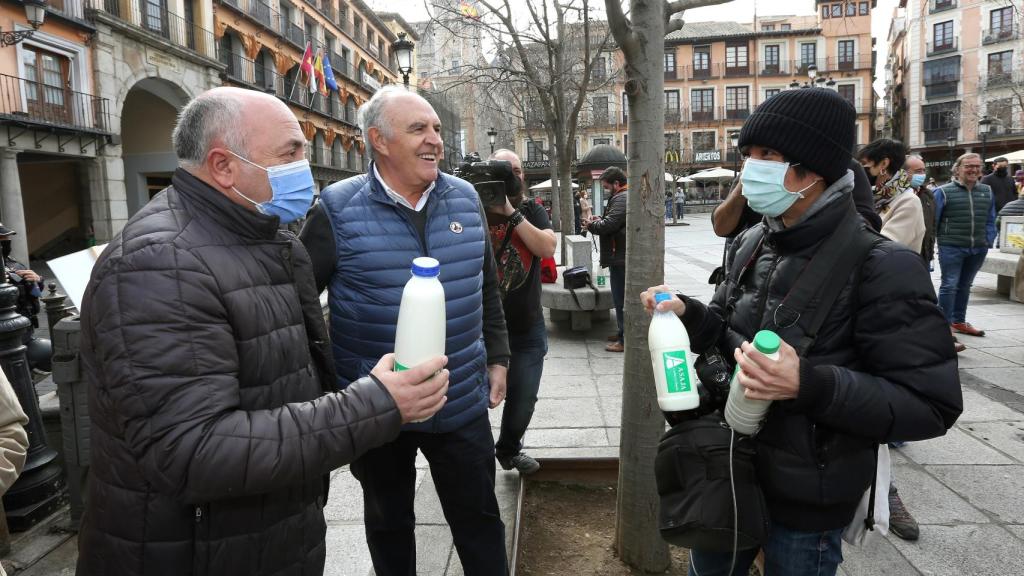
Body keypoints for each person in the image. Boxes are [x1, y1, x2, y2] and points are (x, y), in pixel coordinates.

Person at [76, 87, 450, 576]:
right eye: (290, 153)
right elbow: (195, 452)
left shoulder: (264, 237)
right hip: (194, 552)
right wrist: (376, 403)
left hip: (261, 535)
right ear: (224, 166)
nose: (305, 169)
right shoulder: (159, 263)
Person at [642, 87, 961, 576]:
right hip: (725, 469)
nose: (751, 168)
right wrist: (688, 313)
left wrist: (807, 383)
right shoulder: (754, 239)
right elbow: (730, 339)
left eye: (767, 155)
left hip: (808, 500)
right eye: (747, 155)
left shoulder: (884, 265)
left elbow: (931, 405)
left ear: (811, 170)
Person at [299, 85, 510, 576]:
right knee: (389, 523)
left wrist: (498, 356)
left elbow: (486, 289)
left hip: (459, 401)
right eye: (419, 129)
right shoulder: (336, 208)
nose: (434, 139)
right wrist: (332, 392)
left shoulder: (465, 199)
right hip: (379, 408)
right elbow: (301, 308)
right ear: (379, 140)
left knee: (479, 521)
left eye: (436, 128)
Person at [486, 149, 556, 475]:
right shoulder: (473, 209)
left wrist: (510, 212)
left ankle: (509, 450)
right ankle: (471, 460)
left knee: (524, 398)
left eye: (516, 170)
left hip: (527, 327)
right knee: (473, 401)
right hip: (482, 328)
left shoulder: (531, 209)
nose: (510, 176)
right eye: (503, 170)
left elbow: (546, 247)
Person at [935, 153, 997, 337]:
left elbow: (991, 218)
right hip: (951, 246)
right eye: (968, 166)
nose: (973, 169)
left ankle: (959, 321)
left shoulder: (987, 191)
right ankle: (942, 325)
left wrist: (988, 239)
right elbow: (934, 221)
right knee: (949, 285)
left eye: (977, 166)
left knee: (965, 285)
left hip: (978, 247)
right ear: (958, 169)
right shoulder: (943, 191)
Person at [584, 166, 627, 353]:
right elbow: (612, 221)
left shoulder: (622, 197)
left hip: (620, 257)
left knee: (621, 299)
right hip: (619, 255)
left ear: (617, 184)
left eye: (608, 186)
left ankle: (624, 339)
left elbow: (610, 225)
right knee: (619, 298)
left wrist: (592, 225)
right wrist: (599, 219)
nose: (607, 190)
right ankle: (621, 332)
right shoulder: (621, 197)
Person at [859, 139, 925, 254]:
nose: (861, 170)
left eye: (865, 164)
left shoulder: (908, 201)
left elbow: (885, 247)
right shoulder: (874, 197)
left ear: (884, 164)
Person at [904, 154, 937, 265]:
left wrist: (930, 252)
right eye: (918, 171)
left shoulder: (928, 194)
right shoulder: (893, 195)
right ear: (903, 172)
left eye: (923, 170)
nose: (922, 174)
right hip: (903, 255)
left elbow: (932, 225)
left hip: (924, 255)